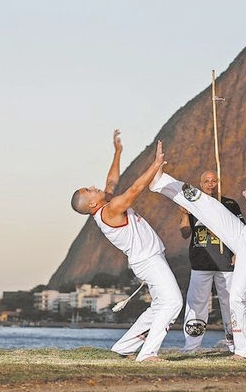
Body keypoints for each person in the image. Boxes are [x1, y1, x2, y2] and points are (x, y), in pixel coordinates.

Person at [150, 151, 246, 359]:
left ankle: (243, 351)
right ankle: (161, 182)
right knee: (209, 205)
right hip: (242, 236)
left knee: (236, 297)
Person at [71, 130, 182, 362]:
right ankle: (148, 354)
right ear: (92, 203)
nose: (94, 186)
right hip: (148, 261)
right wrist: (156, 164)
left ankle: (123, 347)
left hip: (149, 259)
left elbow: (112, 181)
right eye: (90, 190)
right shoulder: (110, 211)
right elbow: (134, 190)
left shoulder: (106, 205)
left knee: (159, 307)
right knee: (173, 302)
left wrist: (118, 152)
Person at [179, 170, 245, 353]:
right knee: (196, 304)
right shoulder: (193, 204)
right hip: (200, 262)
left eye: (213, 181)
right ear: (200, 184)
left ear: (218, 183)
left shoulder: (230, 204)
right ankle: (191, 347)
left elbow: (242, 230)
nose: (210, 184)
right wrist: (184, 214)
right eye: (206, 181)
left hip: (226, 264)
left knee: (229, 303)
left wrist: (237, 252)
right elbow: (185, 233)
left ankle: (235, 344)